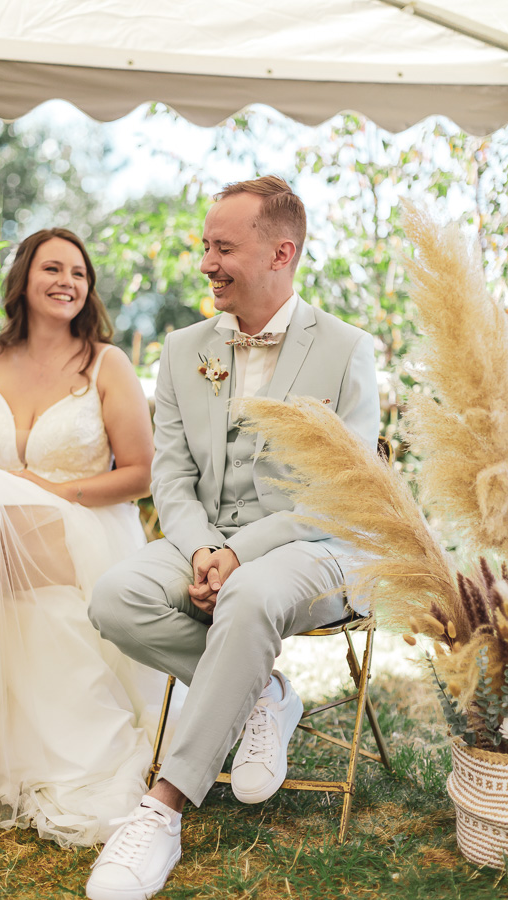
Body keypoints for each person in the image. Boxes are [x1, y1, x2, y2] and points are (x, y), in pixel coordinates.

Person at [86, 176, 380, 899]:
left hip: (316, 548)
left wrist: (238, 555)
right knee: (116, 598)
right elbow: (173, 477)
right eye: (206, 246)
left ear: (281, 252)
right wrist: (200, 549)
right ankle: (262, 694)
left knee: (247, 592)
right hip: (204, 541)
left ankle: (163, 810)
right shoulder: (185, 349)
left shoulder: (347, 351)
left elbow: (340, 496)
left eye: (224, 247)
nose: (207, 263)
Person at [0, 227, 167, 847]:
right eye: (52, 268)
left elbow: (140, 474)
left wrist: (50, 490)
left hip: (79, 525)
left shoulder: (107, 362)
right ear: (24, 278)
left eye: (78, 273)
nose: (67, 282)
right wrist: (2, 498)